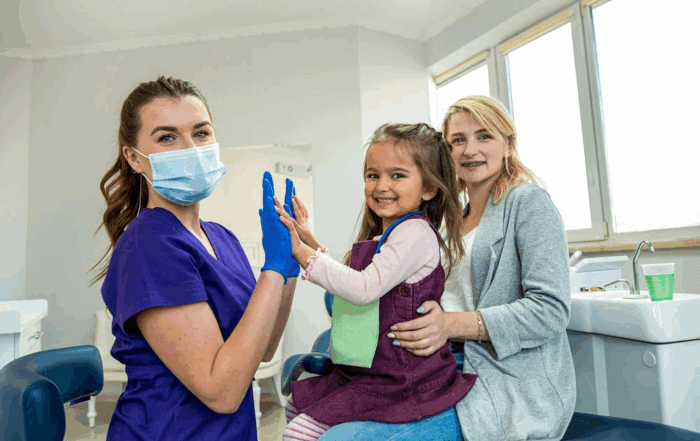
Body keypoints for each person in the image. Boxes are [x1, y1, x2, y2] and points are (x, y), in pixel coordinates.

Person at [317, 96, 576, 441]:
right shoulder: (445, 222)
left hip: (493, 379)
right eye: (458, 140)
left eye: (484, 136)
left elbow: (551, 311)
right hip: (432, 367)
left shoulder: (527, 203)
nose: (470, 150)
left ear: (509, 145)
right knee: (317, 413)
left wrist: (450, 324)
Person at [90, 76, 299, 441]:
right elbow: (221, 391)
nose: (190, 148)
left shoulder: (222, 238)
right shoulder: (150, 245)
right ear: (134, 158)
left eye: (200, 133)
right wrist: (273, 268)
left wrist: (290, 264)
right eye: (167, 137)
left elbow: (262, 350)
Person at [276, 123, 477, 441]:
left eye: (397, 175)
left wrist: (301, 252)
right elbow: (353, 277)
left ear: (428, 188)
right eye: (373, 175)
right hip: (370, 372)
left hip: (398, 380)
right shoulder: (390, 234)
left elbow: (364, 287)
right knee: (294, 408)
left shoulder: (415, 232)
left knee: (297, 431)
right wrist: (309, 240)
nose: (382, 185)